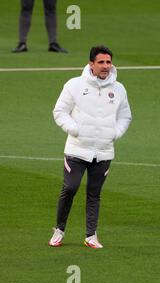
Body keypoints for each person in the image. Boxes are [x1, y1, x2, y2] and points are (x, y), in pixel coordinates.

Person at [49, 45, 132, 249]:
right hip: (77, 149)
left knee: (94, 193)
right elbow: (59, 111)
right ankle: (59, 230)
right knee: (70, 188)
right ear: (91, 64)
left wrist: (115, 133)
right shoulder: (74, 85)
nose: (105, 66)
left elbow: (125, 116)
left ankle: (91, 235)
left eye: (108, 62)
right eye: (101, 62)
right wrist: (74, 129)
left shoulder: (118, 89)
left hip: (104, 151)